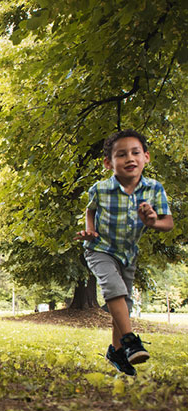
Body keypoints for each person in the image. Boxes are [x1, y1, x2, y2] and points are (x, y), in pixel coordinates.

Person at [74, 129, 173, 376]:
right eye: (121, 154)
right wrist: (90, 230)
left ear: (146, 157)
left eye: (135, 152)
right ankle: (130, 340)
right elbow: (90, 210)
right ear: (109, 163)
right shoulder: (100, 189)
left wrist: (153, 222)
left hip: (128, 253)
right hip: (100, 249)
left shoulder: (154, 189)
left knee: (124, 303)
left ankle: (116, 351)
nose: (129, 158)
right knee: (113, 288)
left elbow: (168, 223)